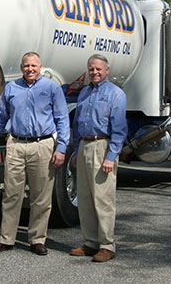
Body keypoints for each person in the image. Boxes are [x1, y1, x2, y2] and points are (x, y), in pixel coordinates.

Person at [0, 51, 69, 256]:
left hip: (42, 145)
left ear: (40, 66)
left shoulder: (51, 88)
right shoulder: (11, 88)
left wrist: (61, 148)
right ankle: (6, 239)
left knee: (41, 196)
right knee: (11, 194)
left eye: (34, 66)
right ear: (21, 67)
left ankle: (37, 239)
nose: (30, 69)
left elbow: (63, 119)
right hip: (16, 145)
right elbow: (0, 117)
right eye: (26, 66)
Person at [70, 54, 127, 262]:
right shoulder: (84, 92)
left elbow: (120, 130)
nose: (94, 72)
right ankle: (90, 242)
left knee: (103, 199)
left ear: (107, 70)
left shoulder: (116, 94)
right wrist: (77, 151)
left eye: (98, 69)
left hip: (103, 147)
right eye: (91, 69)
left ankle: (107, 245)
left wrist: (111, 156)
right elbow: (77, 125)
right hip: (84, 145)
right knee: (84, 198)